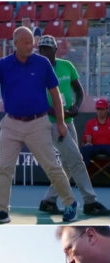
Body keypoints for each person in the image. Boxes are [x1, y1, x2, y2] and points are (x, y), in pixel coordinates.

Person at [0, 26, 77, 224]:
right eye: (25, 42)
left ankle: (70, 203)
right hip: (10, 124)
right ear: (15, 43)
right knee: (4, 168)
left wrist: (60, 122)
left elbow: (55, 94)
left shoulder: (42, 63)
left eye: (31, 41)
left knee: (51, 166)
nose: (31, 45)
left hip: (38, 123)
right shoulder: (4, 64)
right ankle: (1, 211)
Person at [35, 35, 110, 217]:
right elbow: (37, 101)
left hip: (69, 121)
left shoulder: (67, 66)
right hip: (51, 123)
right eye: (41, 49)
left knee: (70, 164)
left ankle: (48, 200)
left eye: (47, 48)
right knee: (76, 159)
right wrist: (59, 113)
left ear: (55, 50)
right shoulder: (36, 71)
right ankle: (90, 201)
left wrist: (76, 106)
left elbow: (78, 90)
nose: (44, 52)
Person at [81, 97, 110, 166]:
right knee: (85, 149)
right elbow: (88, 138)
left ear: (106, 109)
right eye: (98, 109)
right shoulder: (90, 123)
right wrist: (88, 143)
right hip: (95, 146)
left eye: (102, 109)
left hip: (108, 146)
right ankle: (83, 174)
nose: (100, 111)